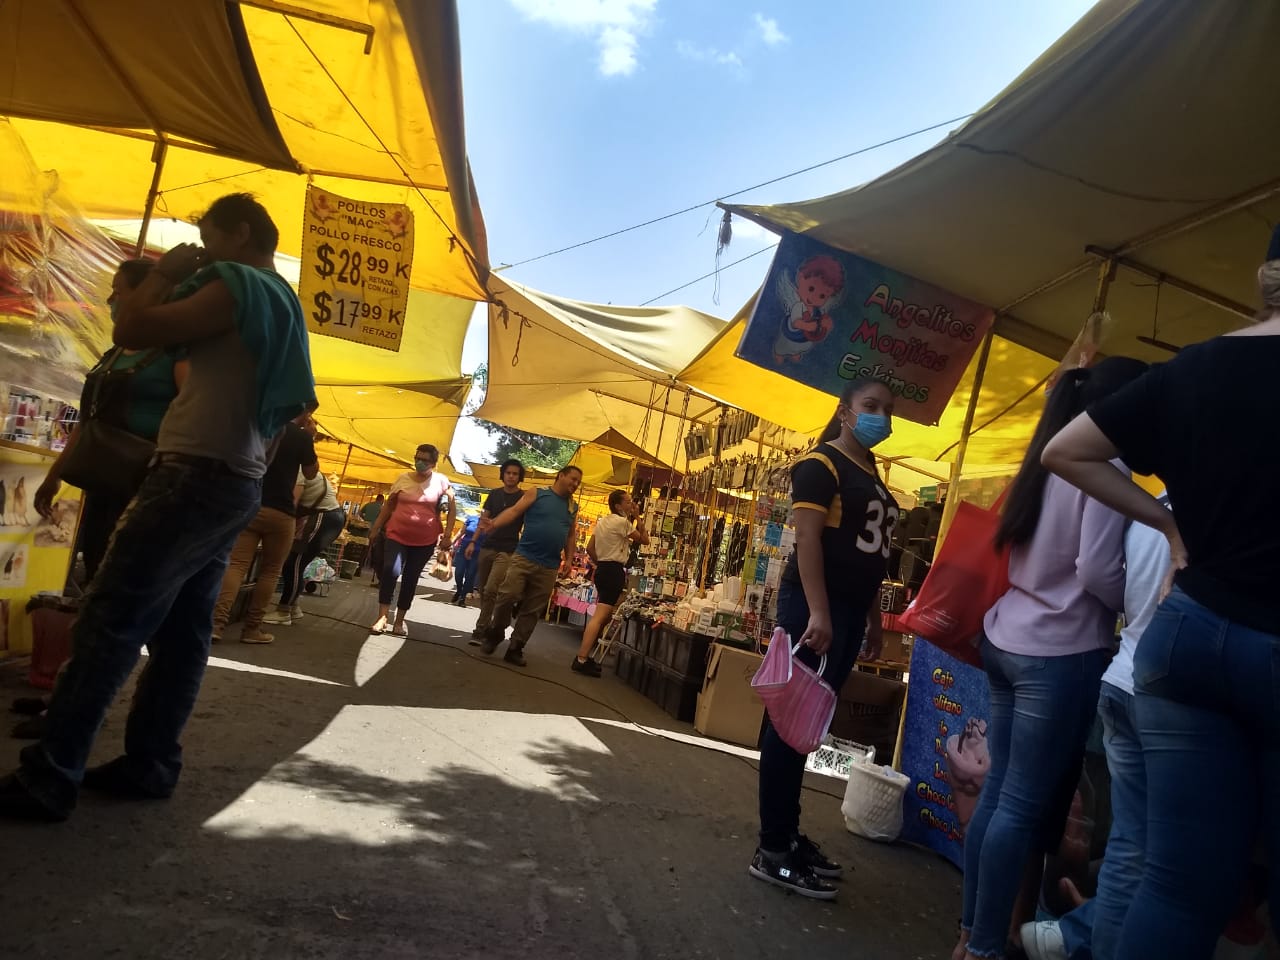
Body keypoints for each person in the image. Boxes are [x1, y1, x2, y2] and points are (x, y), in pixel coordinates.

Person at [0, 192, 315, 821]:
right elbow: (279, 417)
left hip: (192, 473)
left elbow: (133, 329)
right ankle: (149, 762)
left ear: (240, 233)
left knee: (109, 619)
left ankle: (50, 774)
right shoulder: (282, 305)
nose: (201, 248)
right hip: (234, 478)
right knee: (182, 635)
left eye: (208, 235)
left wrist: (167, 272)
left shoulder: (235, 283)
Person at [1040, 243, 1280, 960]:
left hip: (1187, 637)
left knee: (1176, 886)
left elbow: (1065, 451)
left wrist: (1171, 525)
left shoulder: (1197, 367)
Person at [954, 356, 1148, 960]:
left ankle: (969, 935)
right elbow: (1095, 569)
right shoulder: (1105, 464)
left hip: (1009, 635)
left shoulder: (1047, 453)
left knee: (998, 798)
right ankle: (985, 948)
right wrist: (1135, 595)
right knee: (1017, 804)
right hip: (1060, 648)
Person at [751, 376, 897, 900]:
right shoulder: (821, 465)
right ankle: (773, 848)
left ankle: (787, 834)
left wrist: (874, 620)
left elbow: (874, 555)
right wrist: (818, 610)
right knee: (789, 725)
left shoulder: (872, 475)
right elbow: (807, 538)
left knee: (807, 723)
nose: (880, 416)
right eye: (870, 406)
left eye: (887, 409)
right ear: (845, 411)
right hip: (816, 607)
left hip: (850, 612)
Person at [1020, 494, 1170, 960]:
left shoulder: (1154, 506)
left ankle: (1063, 932)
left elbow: (1107, 573)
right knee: (1163, 851)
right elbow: (1095, 569)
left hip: (1121, 673)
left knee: (1124, 839)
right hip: (1164, 691)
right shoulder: (1222, 507)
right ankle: (1073, 932)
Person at [34, 259, 188, 583]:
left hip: (142, 483)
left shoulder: (175, 355)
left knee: (121, 573)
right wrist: (55, 474)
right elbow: (89, 420)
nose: (111, 301)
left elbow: (192, 415)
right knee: (94, 562)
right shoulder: (114, 353)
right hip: (100, 479)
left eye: (118, 292)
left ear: (146, 295)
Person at [210, 411, 318, 644]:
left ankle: (216, 625)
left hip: (250, 503)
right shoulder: (301, 437)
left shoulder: (261, 426)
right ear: (306, 414)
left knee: (237, 565)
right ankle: (251, 630)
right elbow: (311, 474)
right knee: (270, 571)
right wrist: (310, 437)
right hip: (282, 512)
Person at [478, 465, 583, 667]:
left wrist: (569, 559)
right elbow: (515, 511)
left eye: (578, 482)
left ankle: (516, 647)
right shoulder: (538, 493)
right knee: (507, 595)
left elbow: (571, 535)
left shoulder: (572, 506)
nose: (575, 484)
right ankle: (496, 632)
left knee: (533, 609)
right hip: (524, 557)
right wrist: (494, 523)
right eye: (573, 479)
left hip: (550, 566)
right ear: (561, 476)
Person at [367, 444, 454, 637]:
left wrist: (447, 535)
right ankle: (382, 617)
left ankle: (399, 620)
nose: (420, 463)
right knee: (391, 570)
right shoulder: (402, 479)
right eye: (417, 458)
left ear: (433, 463)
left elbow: (451, 508)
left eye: (425, 460)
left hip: (425, 540)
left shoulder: (441, 481)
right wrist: (376, 527)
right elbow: (389, 506)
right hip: (396, 534)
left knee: (410, 578)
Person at [572, 489, 649, 677]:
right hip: (613, 570)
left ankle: (586, 656)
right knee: (601, 615)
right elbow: (645, 539)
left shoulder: (602, 522)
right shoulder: (623, 523)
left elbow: (590, 547)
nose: (631, 504)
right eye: (628, 502)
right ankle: (581, 658)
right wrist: (638, 516)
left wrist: (601, 562)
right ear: (618, 505)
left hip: (604, 569)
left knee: (604, 616)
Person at [266, 465, 345, 626]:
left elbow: (291, 504)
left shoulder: (298, 470)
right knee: (297, 563)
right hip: (328, 517)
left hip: (325, 517)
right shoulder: (297, 468)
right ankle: (293, 606)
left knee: (294, 562)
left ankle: (283, 611)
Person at [470, 459, 526, 641]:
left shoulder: (524, 498)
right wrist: (473, 541)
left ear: (519, 477)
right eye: (508, 473)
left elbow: (527, 525)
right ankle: (487, 622)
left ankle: (481, 628)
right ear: (503, 475)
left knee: (492, 588)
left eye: (515, 473)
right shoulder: (494, 494)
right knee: (484, 589)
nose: (511, 476)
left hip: (508, 550)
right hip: (487, 546)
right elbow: (483, 520)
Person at [450, 514, 483, 606]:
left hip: (478, 553)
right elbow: (461, 532)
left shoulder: (490, 523)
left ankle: (462, 598)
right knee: (459, 572)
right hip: (463, 548)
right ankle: (459, 590)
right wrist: (452, 542)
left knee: (470, 575)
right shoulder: (472, 518)